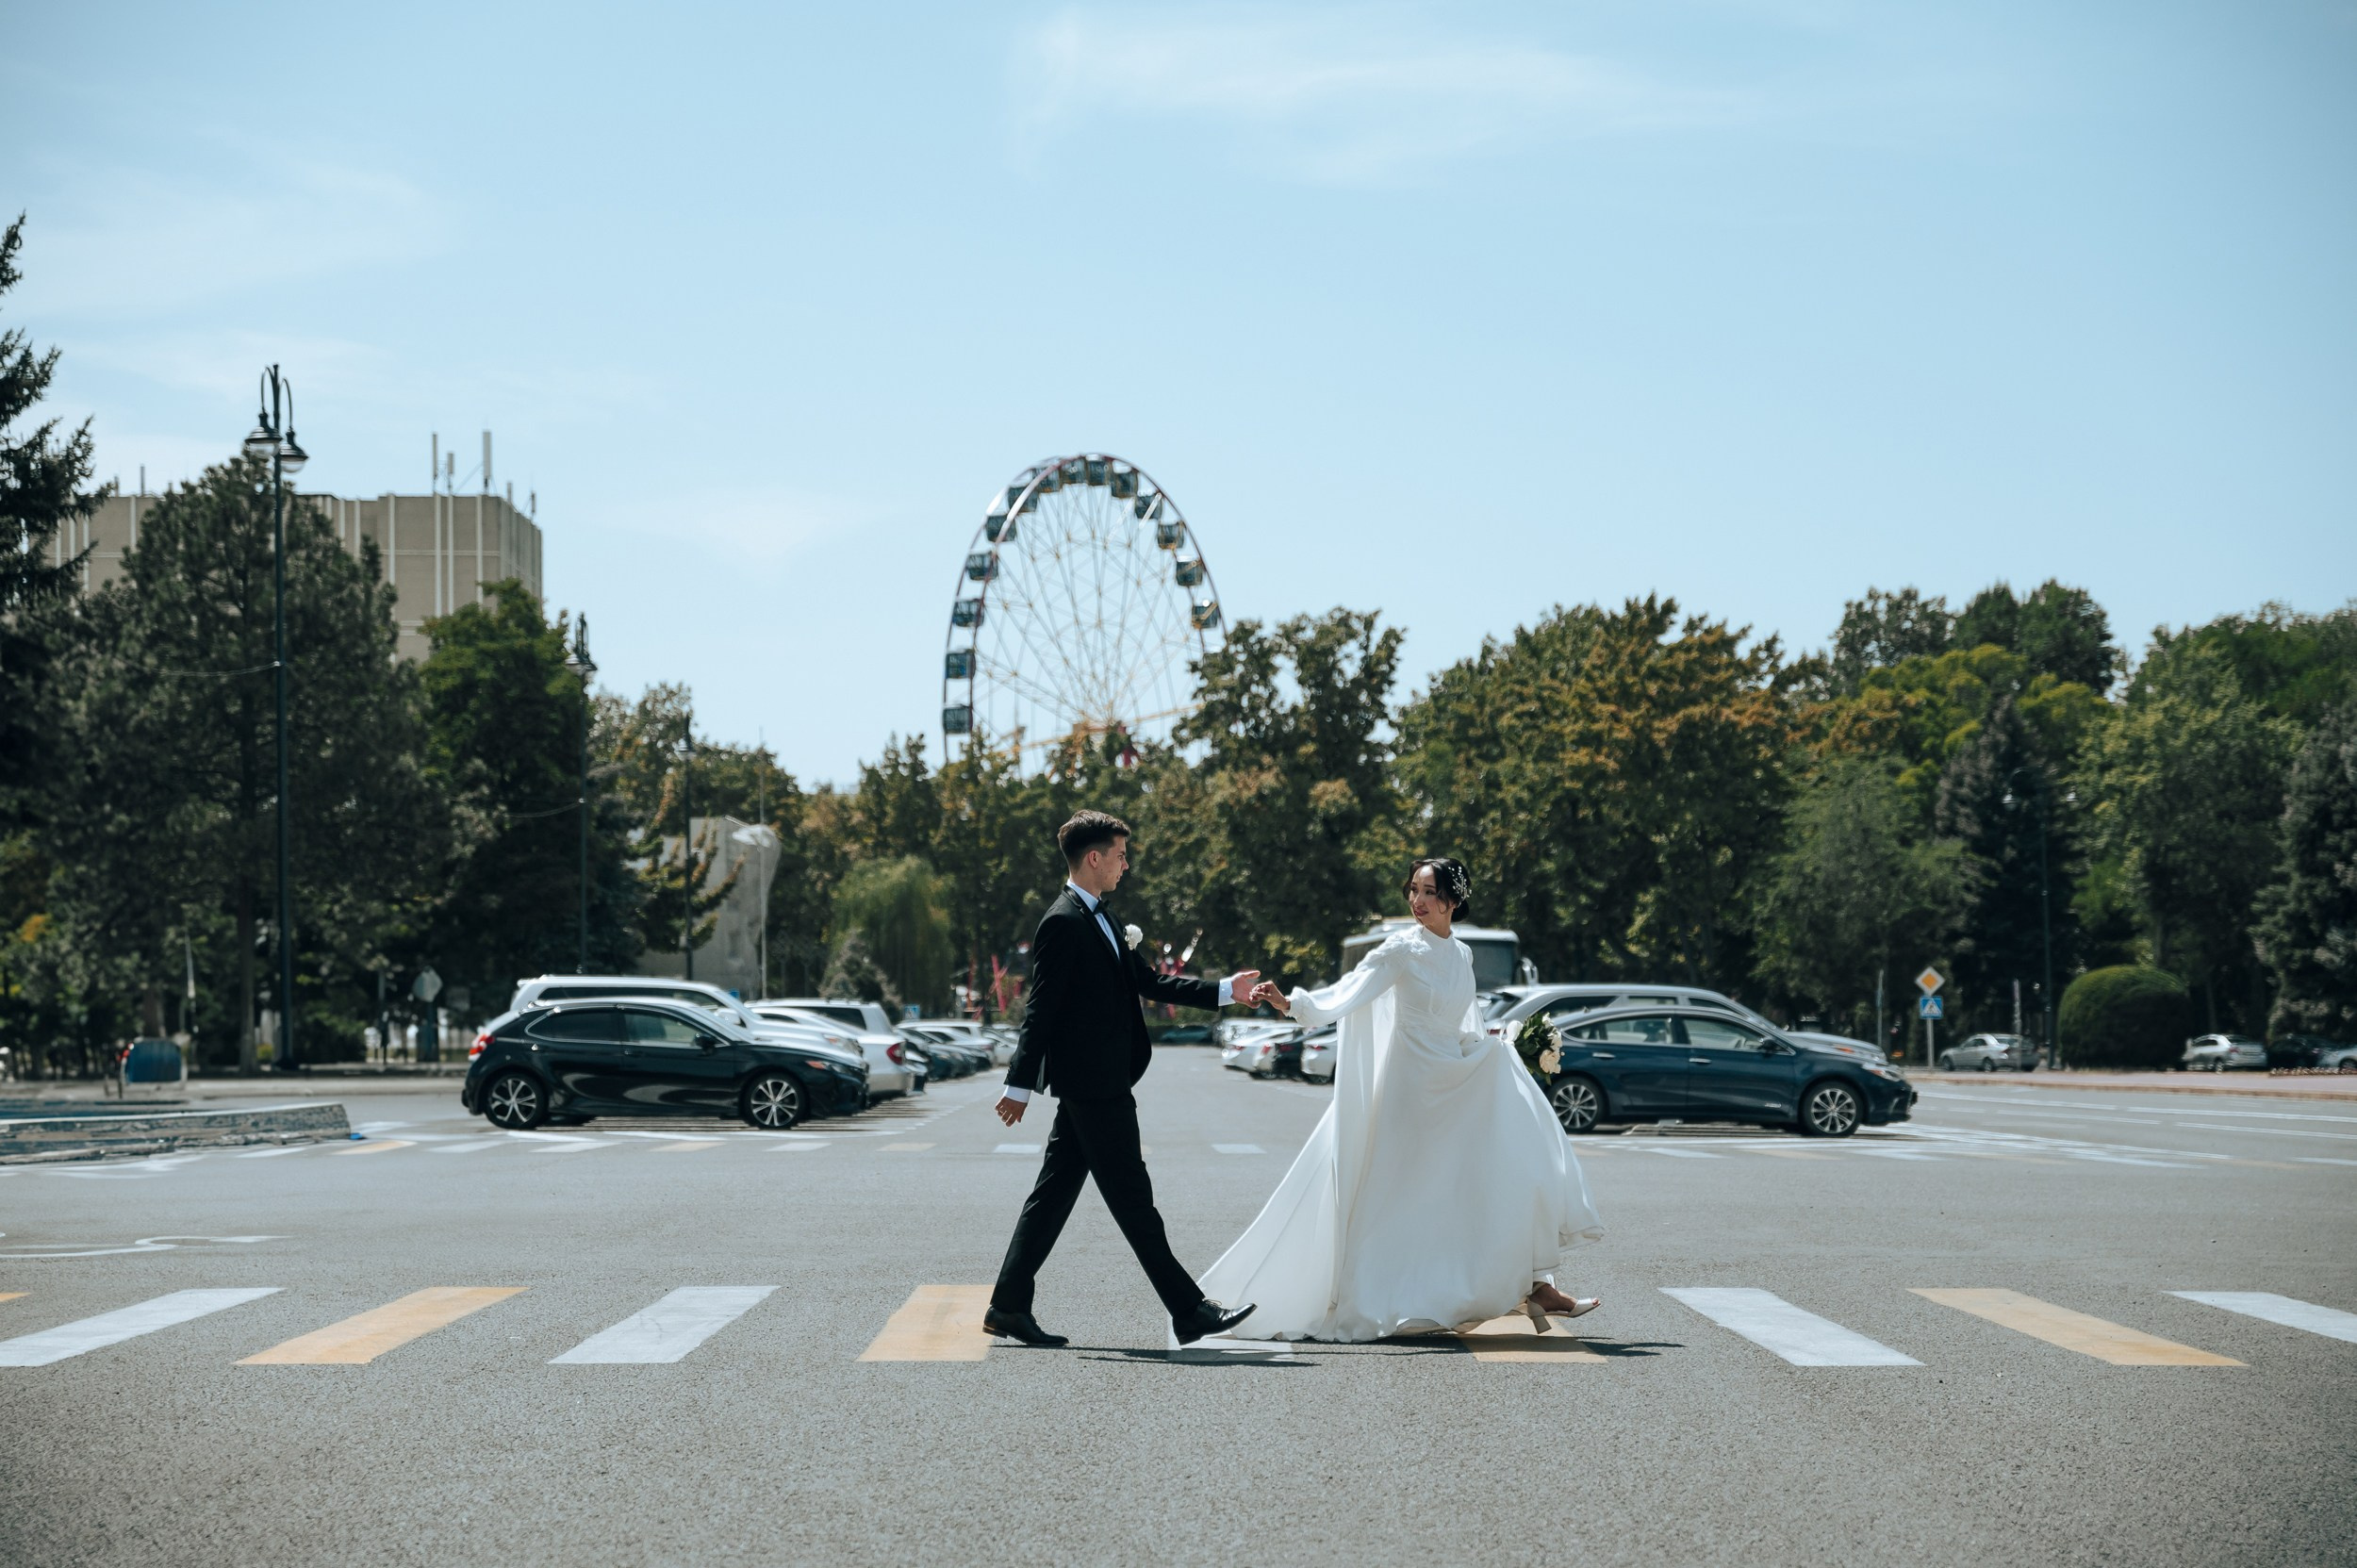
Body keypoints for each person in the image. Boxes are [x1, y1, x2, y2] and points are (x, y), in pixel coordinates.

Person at [1201, 856, 1605, 1341]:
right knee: (1401, 1198)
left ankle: (1531, 1284)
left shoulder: (1463, 954)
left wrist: (1498, 1049)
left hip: (1453, 1082)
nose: (1417, 901)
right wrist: (1292, 1003)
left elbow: (1463, 1021)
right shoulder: (1401, 950)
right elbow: (1349, 992)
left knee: (1490, 1174)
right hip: (1410, 1089)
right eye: (1413, 890)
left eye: (1429, 892)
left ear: (1454, 900)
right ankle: (1403, 1297)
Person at [986, 810, 1267, 1348]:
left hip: (1100, 1083)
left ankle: (1007, 1305)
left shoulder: (1106, 919)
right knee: (1135, 1202)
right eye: (1119, 855)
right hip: (1095, 1087)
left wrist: (1224, 991)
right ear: (1093, 858)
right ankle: (1189, 1310)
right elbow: (1040, 1008)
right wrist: (1018, 1084)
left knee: (1051, 1199)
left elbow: (1148, 981)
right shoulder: (1062, 922)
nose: (1125, 864)